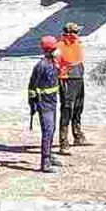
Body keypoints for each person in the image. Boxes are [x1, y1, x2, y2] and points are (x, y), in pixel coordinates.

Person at [26, 36, 62, 172]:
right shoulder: (41, 66)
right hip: (44, 103)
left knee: (52, 129)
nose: (58, 51)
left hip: (52, 101)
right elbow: (31, 87)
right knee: (47, 130)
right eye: (55, 48)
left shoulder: (53, 62)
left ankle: (50, 155)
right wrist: (33, 104)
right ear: (50, 50)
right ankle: (45, 163)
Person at [56, 21, 88, 151]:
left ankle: (78, 135)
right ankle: (63, 141)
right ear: (69, 33)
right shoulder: (59, 47)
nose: (78, 35)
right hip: (67, 80)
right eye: (76, 32)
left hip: (79, 78)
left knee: (78, 107)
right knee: (67, 109)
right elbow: (55, 65)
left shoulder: (78, 43)